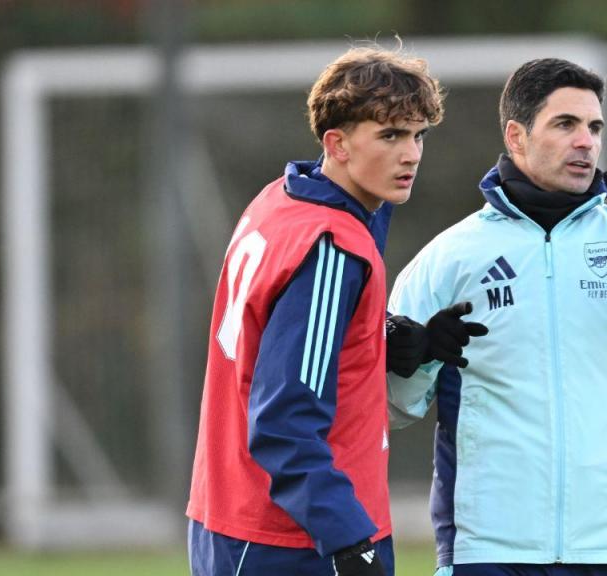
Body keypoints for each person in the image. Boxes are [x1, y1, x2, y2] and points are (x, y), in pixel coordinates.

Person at [386, 58, 607, 575]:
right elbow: (393, 408)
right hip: (486, 549)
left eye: (594, 127)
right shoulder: (450, 257)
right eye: (565, 124)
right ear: (516, 135)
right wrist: (418, 360)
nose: (586, 142)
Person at [186, 44, 461, 576]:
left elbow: (276, 331)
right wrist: (347, 538)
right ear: (336, 143)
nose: (411, 154)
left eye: (417, 134)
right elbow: (284, 421)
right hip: (290, 537)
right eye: (390, 136)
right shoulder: (331, 247)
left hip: (229, 515)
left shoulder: (283, 199)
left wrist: (387, 337)